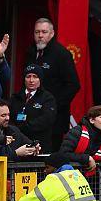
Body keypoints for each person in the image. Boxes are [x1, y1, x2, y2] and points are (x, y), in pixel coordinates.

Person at [24, 18, 78, 149]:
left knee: (50, 156)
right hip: (31, 118)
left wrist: (52, 106)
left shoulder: (62, 54)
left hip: (54, 120)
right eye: (37, 32)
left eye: (44, 32)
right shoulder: (31, 52)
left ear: (52, 34)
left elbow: (73, 85)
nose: (40, 35)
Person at [14, 152, 101, 201]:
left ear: (55, 167)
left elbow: (34, 199)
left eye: (47, 167)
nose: (45, 171)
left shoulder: (56, 179)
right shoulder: (77, 175)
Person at [8, 64, 56, 148]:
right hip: (17, 142)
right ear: (24, 79)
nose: (31, 80)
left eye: (35, 77)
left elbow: (46, 119)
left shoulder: (48, 98)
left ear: (40, 79)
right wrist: (15, 130)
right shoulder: (16, 97)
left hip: (39, 144)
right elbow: (9, 116)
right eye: (28, 76)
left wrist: (23, 127)